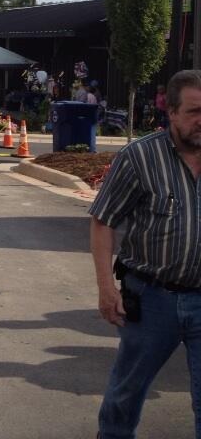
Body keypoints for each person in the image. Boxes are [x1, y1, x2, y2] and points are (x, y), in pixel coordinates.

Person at [89, 69, 201, 438]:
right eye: (194, 111)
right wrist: (107, 289)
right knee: (125, 398)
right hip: (152, 299)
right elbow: (103, 222)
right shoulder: (140, 158)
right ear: (170, 111)